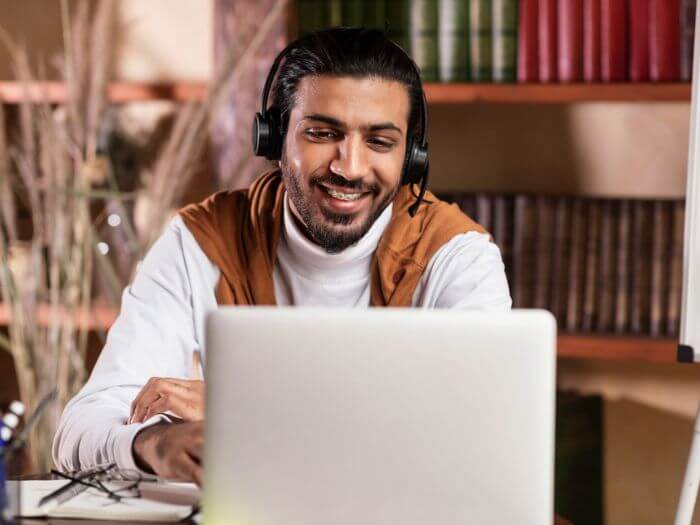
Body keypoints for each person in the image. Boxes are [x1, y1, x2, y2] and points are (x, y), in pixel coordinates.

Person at [53, 27, 511, 485]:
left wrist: (243, 405)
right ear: (273, 139)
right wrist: (149, 444)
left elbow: (475, 443)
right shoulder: (201, 239)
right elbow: (79, 429)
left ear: (410, 156)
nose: (349, 167)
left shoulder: (458, 257)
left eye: (379, 141)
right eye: (322, 133)